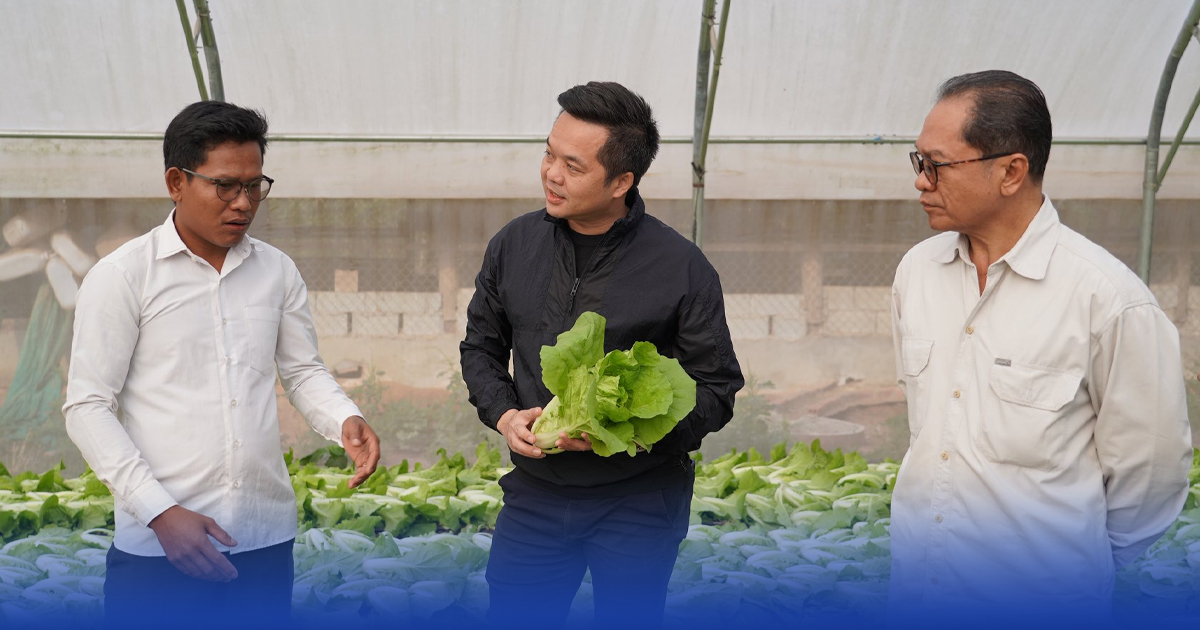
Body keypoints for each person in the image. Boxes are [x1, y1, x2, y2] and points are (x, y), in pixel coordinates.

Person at [889, 70, 1193, 623]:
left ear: (1011, 171)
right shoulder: (917, 273)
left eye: (936, 165)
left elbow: (1152, 472)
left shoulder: (1107, 298)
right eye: (918, 161)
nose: (920, 181)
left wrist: (1072, 565)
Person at [63, 101, 381, 628]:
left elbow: (302, 371)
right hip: (159, 548)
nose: (244, 203)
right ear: (176, 182)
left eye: (255, 186)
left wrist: (343, 417)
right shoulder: (123, 276)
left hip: (263, 538)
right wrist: (159, 512)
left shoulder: (276, 270)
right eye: (225, 186)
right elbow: (88, 406)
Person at [460, 81, 743, 627]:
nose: (551, 173)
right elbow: (480, 347)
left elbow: (717, 387)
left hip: (639, 501)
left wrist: (627, 433)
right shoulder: (513, 246)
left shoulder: (681, 267)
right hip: (536, 495)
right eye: (549, 154)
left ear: (621, 181)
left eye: (573, 165)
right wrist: (505, 414)